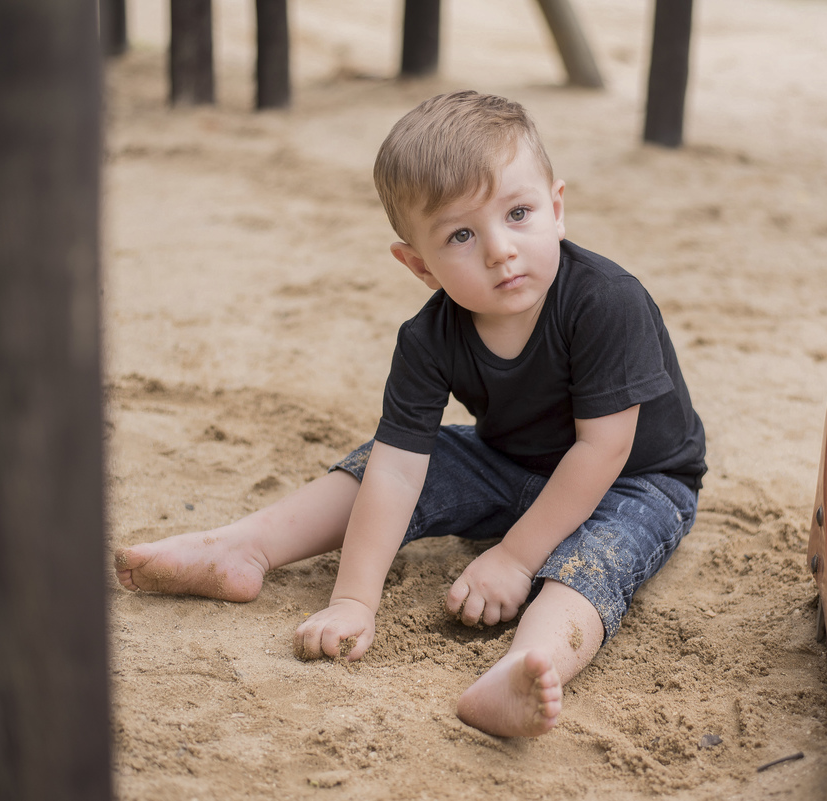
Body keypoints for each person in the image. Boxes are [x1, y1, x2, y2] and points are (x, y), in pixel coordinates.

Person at [115, 90, 707, 738]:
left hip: (635, 480)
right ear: (418, 264)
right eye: (462, 234)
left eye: (518, 213)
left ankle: (528, 664)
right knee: (386, 464)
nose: (501, 249)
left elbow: (603, 450)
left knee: (595, 561)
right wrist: (352, 600)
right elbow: (398, 472)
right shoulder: (428, 338)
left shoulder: (604, 302)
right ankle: (245, 546)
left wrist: (512, 559)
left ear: (557, 208)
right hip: (510, 461)